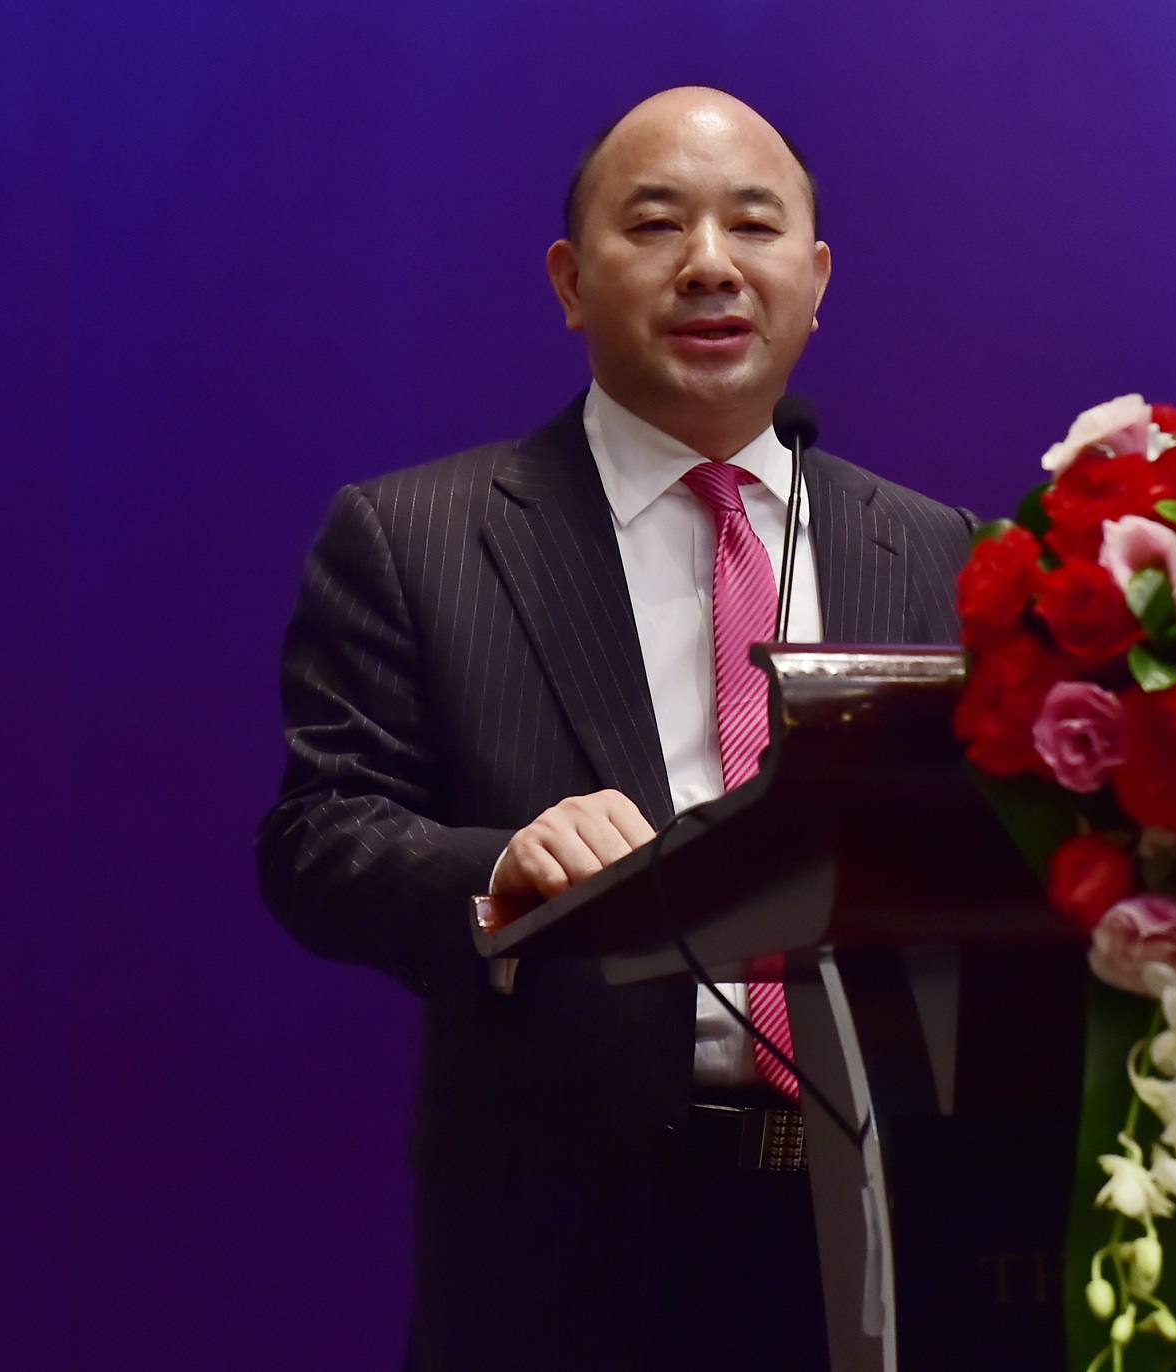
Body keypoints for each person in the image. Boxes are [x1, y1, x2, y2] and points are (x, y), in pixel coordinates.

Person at [255, 86, 973, 1369]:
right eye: (654, 224)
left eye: (752, 225)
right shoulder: (418, 537)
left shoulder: (935, 550)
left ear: (813, 280)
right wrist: (498, 868)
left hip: (882, 1233)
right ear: (570, 281)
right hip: (567, 1251)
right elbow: (318, 837)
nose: (709, 263)